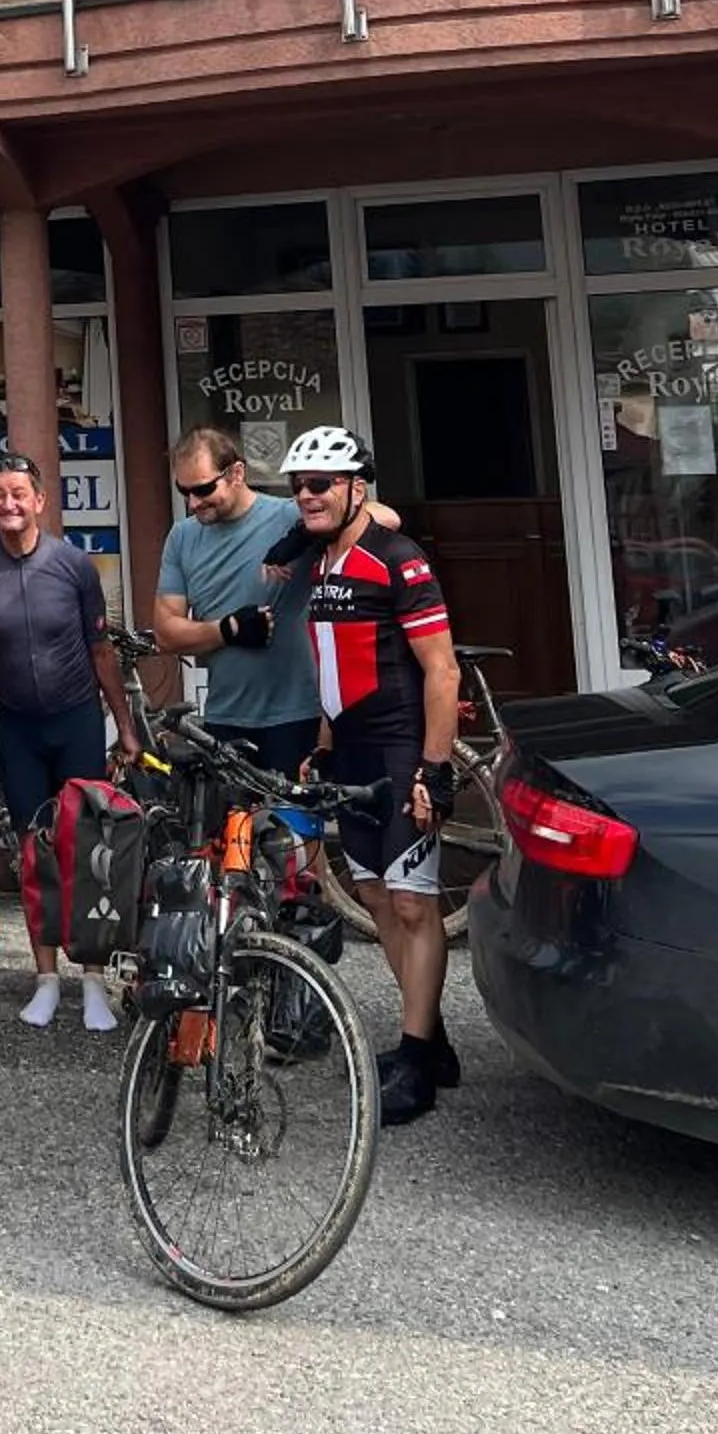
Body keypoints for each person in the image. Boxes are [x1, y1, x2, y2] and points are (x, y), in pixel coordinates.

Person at [278, 423, 463, 1126]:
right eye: (298, 486)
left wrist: (435, 770)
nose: (306, 496)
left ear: (357, 487)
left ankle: (416, 1059)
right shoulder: (322, 564)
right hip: (350, 751)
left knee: (415, 904)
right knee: (377, 897)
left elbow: (440, 670)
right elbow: (334, 669)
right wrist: (322, 746)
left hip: (397, 749)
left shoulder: (399, 558)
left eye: (320, 484)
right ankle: (432, 1040)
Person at [0, 451, 138, 1033]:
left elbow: (101, 651)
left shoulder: (74, 565)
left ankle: (93, 979)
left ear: (39, 501)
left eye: (18, 493)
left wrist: (124, 725)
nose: (8, 503)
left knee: (86, 851)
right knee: (35, 853)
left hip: (76, 719)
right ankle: (46, 978)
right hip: (18, 726)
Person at [152, 428, 323, 779]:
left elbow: (383, 517)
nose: (193, 502)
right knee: (228, 833)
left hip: (295, 717)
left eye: (203, 489)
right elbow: (166, 633)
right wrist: (227, 629)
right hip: (223, 718)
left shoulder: (289, 516)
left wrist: (302, 536)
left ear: (237, 474)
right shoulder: (182, 538)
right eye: (183, 491)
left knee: (294, 832)